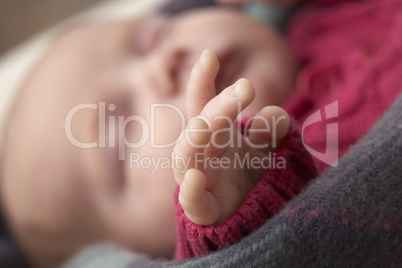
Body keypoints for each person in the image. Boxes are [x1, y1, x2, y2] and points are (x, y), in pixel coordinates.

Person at [0, 6, 316, 268]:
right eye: (130, 128)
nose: (163, 64)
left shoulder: (313, 16)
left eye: (152, 38)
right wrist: (243, 219)